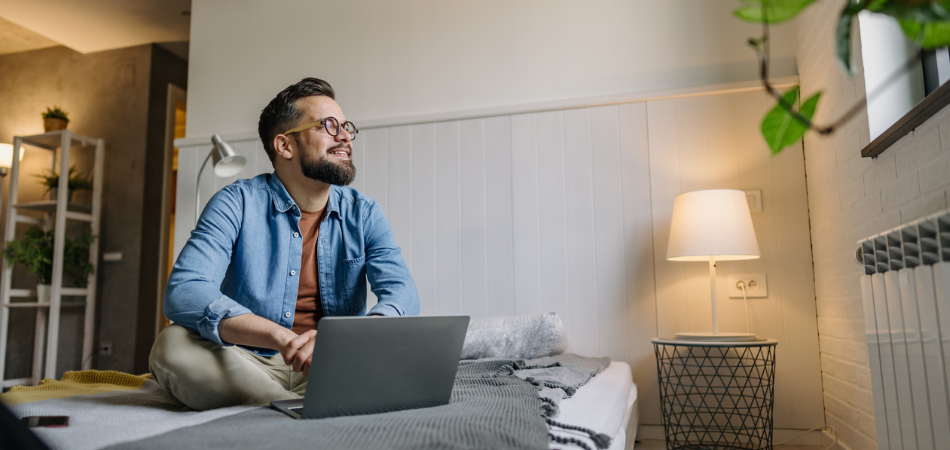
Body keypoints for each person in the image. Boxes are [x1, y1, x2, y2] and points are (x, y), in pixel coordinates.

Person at [149, 77, 420, 411]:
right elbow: (185, 290)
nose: (345, 136)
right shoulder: (236, 202)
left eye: (346, 126)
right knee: (171, 345)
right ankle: (300, 408)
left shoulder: (364, 213)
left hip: (333, 362)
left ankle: (280, 410)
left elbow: (402, 295)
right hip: (245, 362)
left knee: (407, 349)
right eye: (328, 125)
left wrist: (347, 340)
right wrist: (280, 337)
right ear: (285, 146)